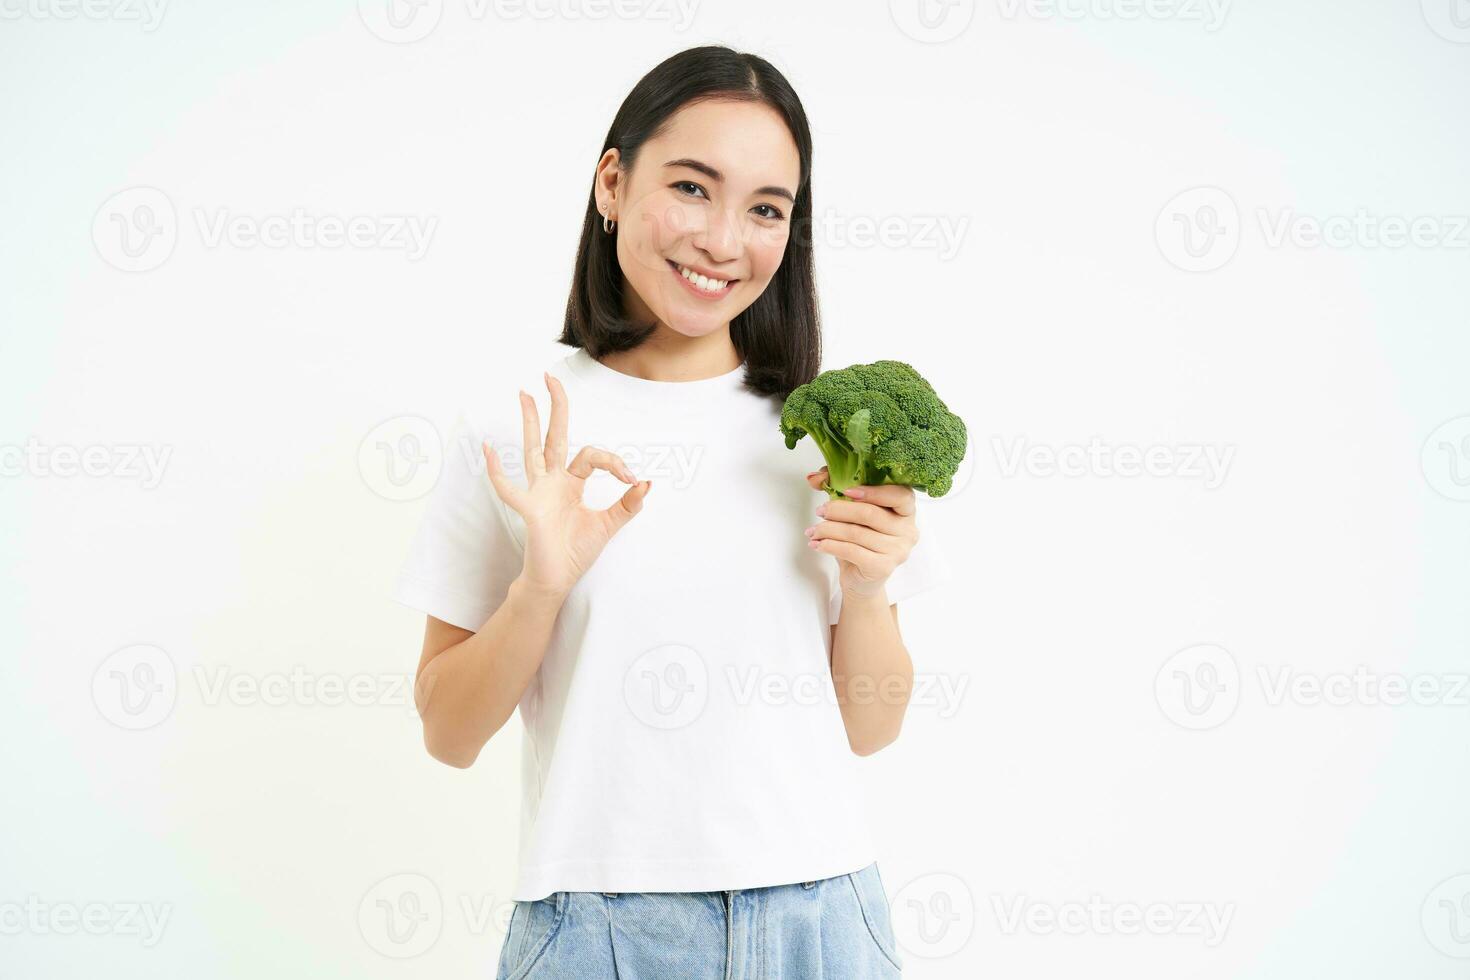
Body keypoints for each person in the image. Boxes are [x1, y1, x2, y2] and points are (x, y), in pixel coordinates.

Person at [392, 44, 954, 979]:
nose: (724, 240)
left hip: (822, 920)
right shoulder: (518, 431)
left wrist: (866, 586)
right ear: (611, 182)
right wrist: (541, 585)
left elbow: (871, 728)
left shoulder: (828, 435)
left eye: (766, 209)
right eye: (692, 188)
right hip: (594, 927)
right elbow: (448, 735)